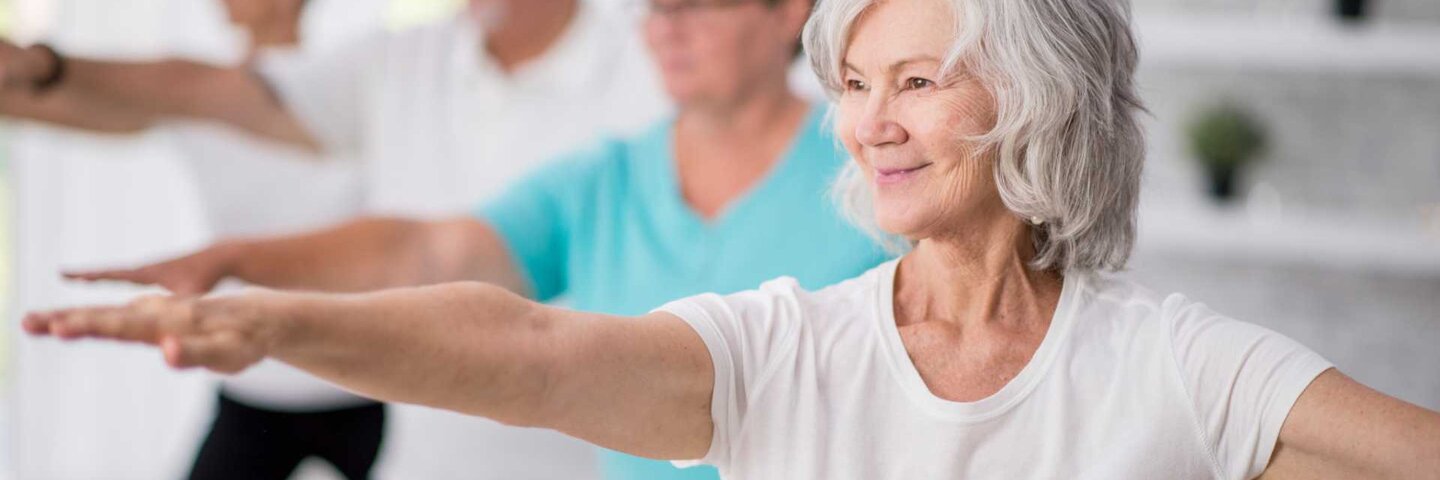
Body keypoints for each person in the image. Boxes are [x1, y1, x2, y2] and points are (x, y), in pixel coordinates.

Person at [28, 0, 1440, 478]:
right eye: (857, 86)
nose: (873, 123)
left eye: (919, 81)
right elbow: (519, 342)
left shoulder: (1165, 361)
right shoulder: (787, 345)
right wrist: (279, 317)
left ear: (1038, 103)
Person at [49, 0, 885, 479]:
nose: (665, 24)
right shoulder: (604, 179)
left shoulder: (875, 165)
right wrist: (241, 268)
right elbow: (430, 252)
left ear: (787, 13)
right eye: (655, 4)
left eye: (695, 2)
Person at [6, 1, 386, 479]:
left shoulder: (353, 82)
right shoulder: (187, 96)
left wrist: (42, 64)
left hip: (363, 378)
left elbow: (192, 85)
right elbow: (67, 98)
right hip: (255, 378)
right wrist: (31, 69)